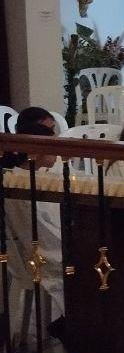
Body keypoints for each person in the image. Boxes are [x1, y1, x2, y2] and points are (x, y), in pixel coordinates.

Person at [2, 107, 67, 340]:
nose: (57, 153)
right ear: (36, 150)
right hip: (44, 254)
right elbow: (47, 232)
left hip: (37, 249)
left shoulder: (19, 176)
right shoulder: (23, 182)